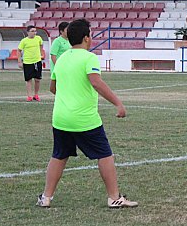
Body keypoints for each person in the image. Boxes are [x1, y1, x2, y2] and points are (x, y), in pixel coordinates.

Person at [36, 19, 137, 208]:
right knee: (105, 154)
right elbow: (96, 82)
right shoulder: (89, 58)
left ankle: (46, 197)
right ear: (86, 38)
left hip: (61, 118)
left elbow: (52, 88)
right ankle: (114, 197)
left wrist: (69, 96)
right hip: (84, 119)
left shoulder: (62, 58)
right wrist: (118, 103)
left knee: (59, 155)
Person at [18, 25, 44, 102]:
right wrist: (19, 61)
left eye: (35, 31)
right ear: (28, 32)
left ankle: (36, 95)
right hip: (27, 62)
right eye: (32, 31)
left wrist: (41, 53)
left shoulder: (38, 38)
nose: (34, 33)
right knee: (28, 79)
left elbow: (41, 45)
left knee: (37, 79)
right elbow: (19, 50)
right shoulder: (24, 41)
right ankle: (29, 96)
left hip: (37, 61)